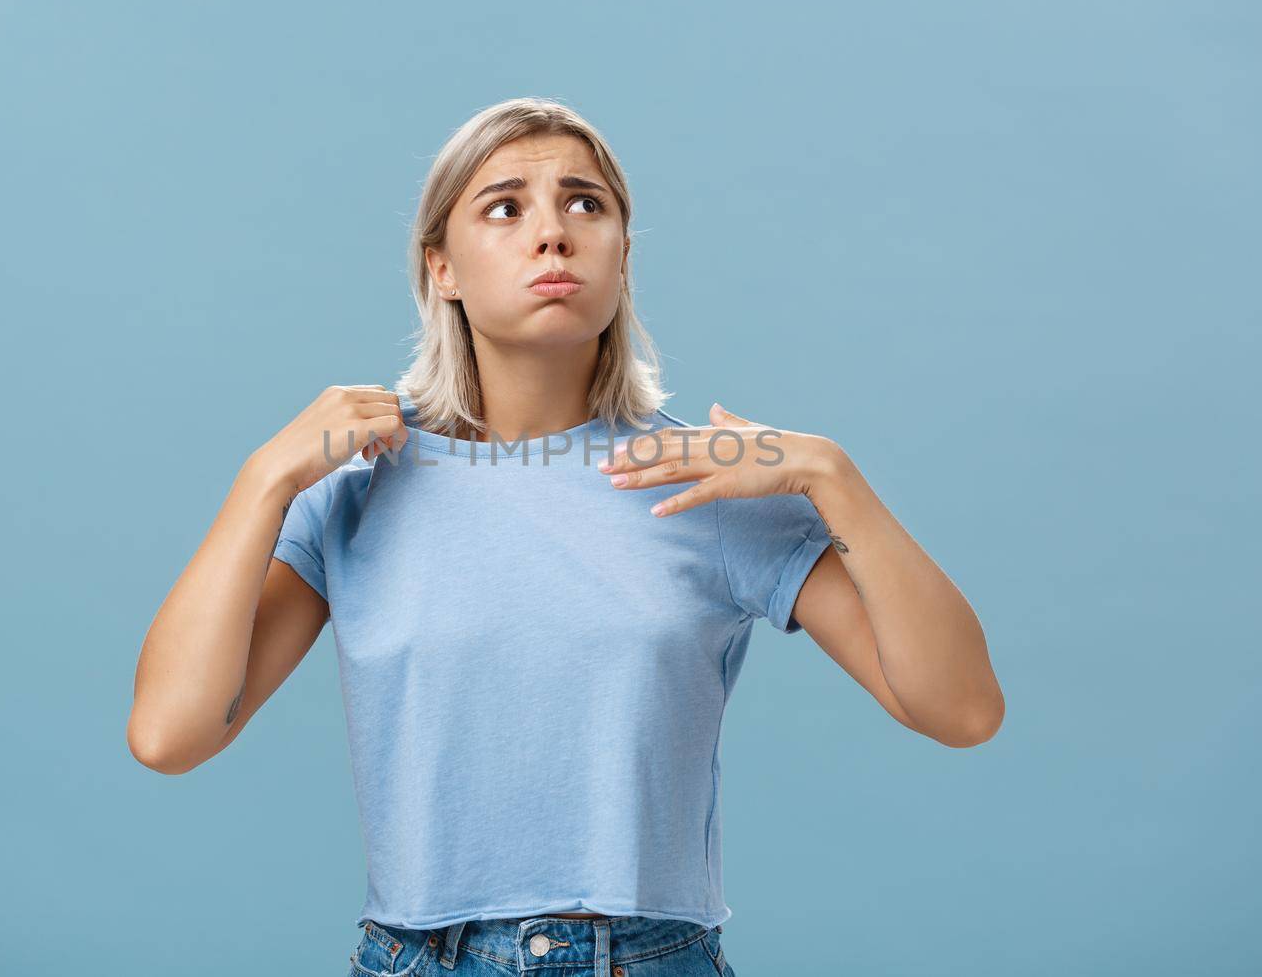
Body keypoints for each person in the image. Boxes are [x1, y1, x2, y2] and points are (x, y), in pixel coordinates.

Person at [128, 97, 1004, 976]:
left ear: (623, 256)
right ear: (443, 268)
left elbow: (961, 709)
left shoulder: (705, 478)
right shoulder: (354, 496)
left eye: (585, 203)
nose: (553, 232)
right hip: (412, 959)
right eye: (505, 206)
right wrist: (262, 482)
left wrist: (833, 477)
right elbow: (171, 734)